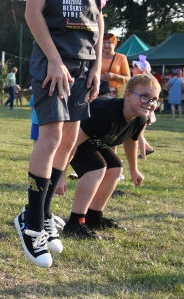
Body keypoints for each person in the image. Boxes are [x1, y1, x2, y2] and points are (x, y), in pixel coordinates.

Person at [15, 0, 105, 269]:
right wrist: (53, 59)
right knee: (51, 138)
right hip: (55, 63)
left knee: (69, 142)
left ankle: (46, 216)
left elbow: (98, 20)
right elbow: (32, 13)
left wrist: (98, 65)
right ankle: (31, 222)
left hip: (85, 66)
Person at [62, 73, 159, 239]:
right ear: (127, 95)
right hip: (71, 138)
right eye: (144, 97)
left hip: (92, 141)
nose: (150, 103)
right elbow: (71, 142)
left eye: (154, 99)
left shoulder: (140, 118)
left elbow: (131, 141)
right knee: (97, 168)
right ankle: (75, 222)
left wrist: (134, 170)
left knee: (115, 167)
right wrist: (60, 175)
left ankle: (93, 217)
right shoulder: (105, 112)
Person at [98, 32, 130, 99]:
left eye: (110, 42)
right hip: (98, 92)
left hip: (116, 94)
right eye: (104, 42)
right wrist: (97, 77)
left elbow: (128, 79)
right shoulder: (95, 57)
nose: (106, 45)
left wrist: (114, 76)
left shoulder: (122, 58)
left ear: (115, 44)